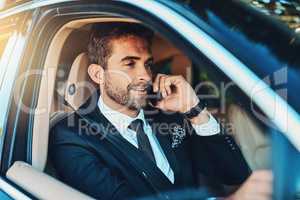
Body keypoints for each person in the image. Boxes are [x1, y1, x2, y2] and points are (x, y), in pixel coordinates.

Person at [49, 22, 272, 200]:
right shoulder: (71, 135)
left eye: (148, 64)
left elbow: (234, 173)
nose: (145, 75)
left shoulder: (169, 114)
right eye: (129, 64)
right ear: (98, 75)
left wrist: (194, 110)